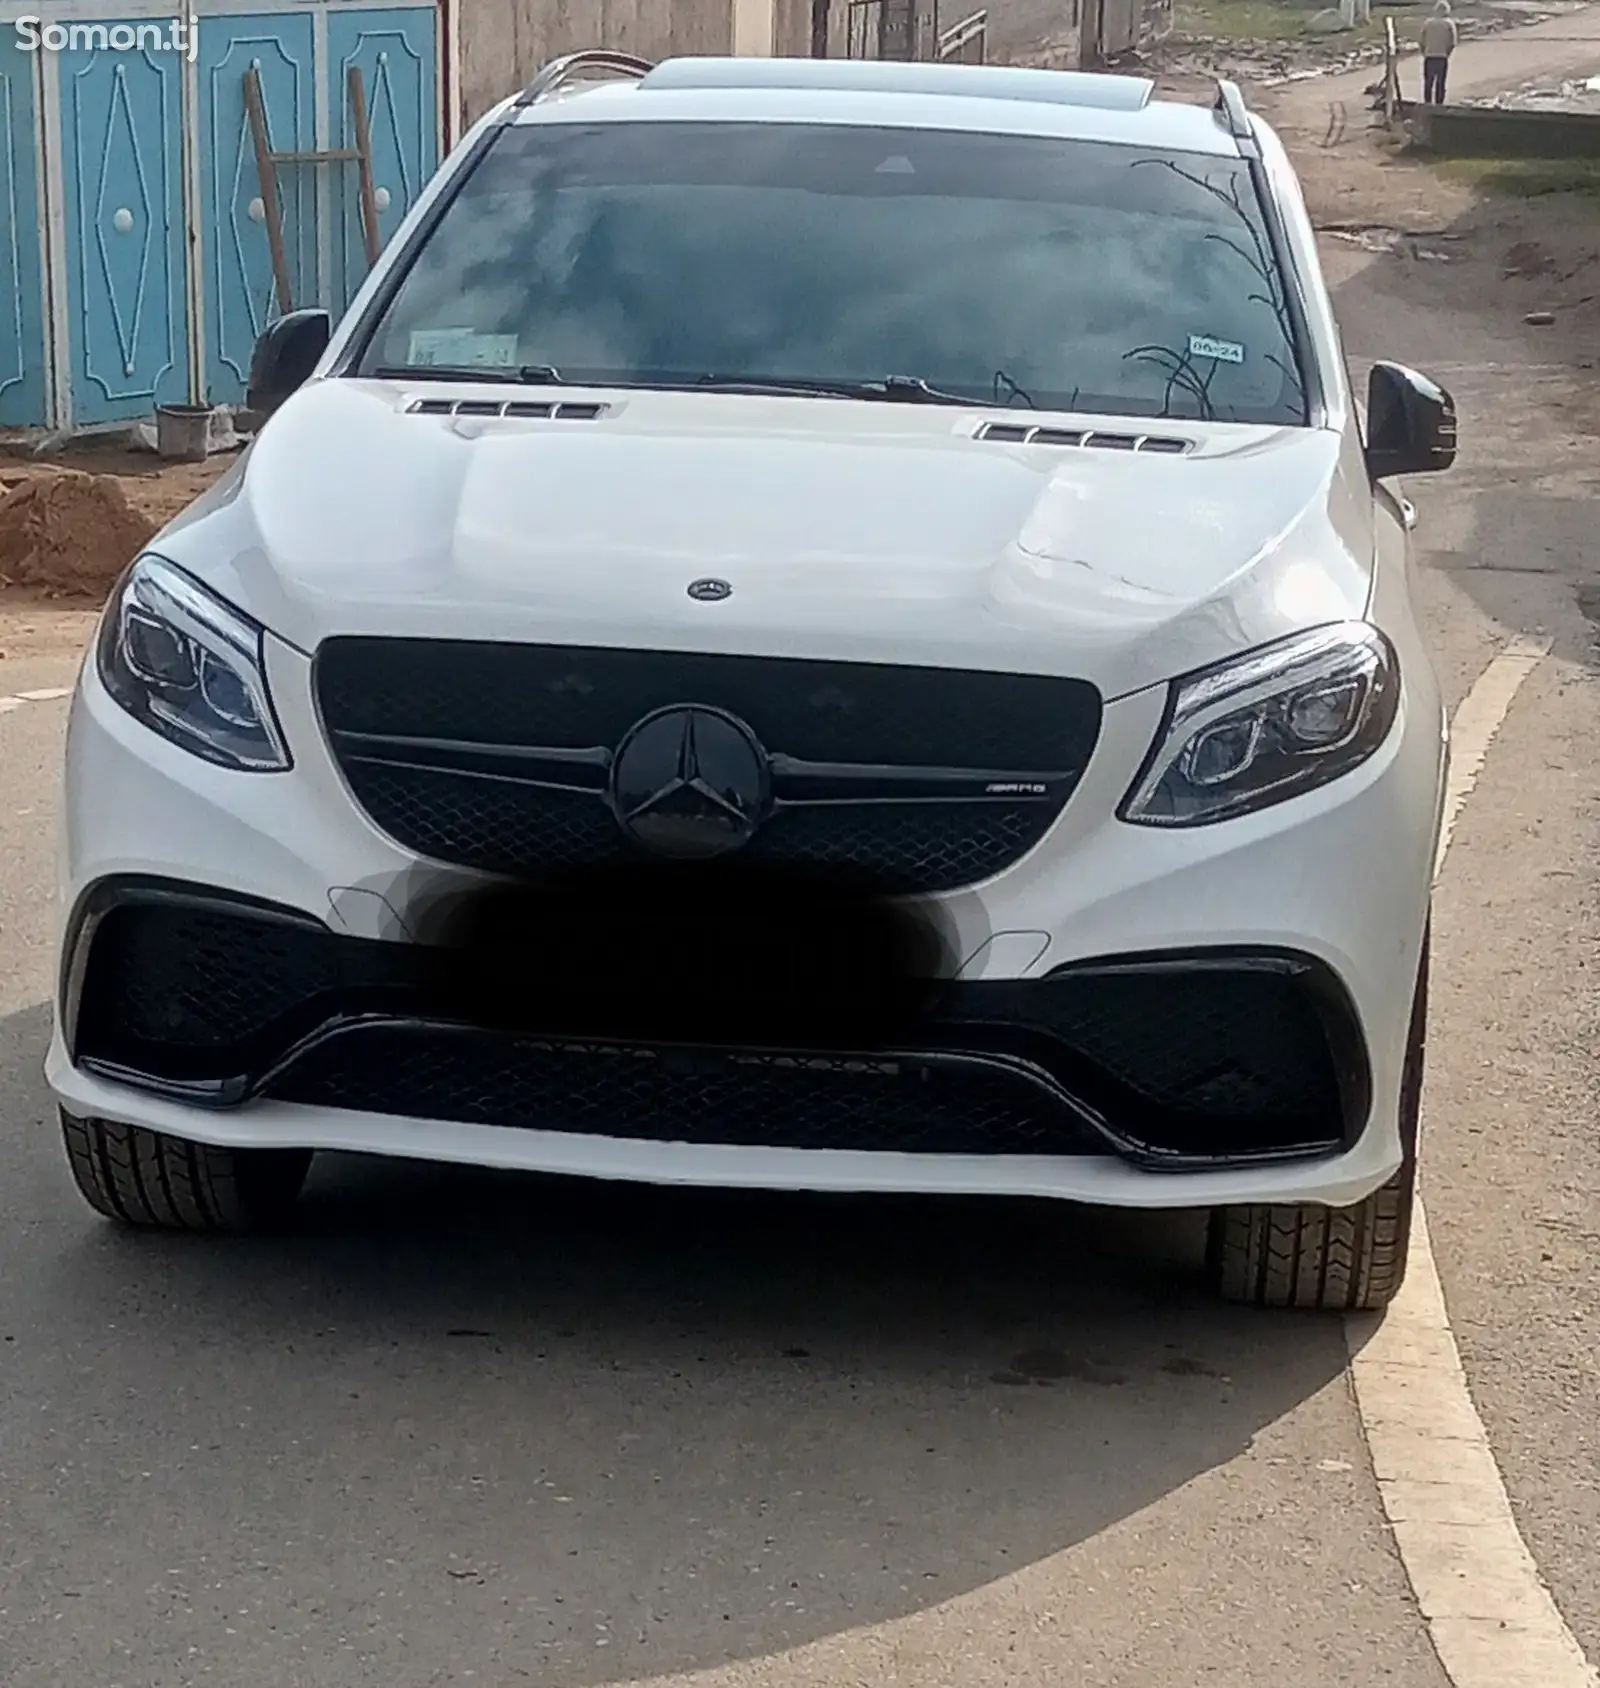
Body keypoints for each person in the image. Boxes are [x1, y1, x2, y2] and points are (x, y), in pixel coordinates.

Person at [1419, 0, 1459, 105]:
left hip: (1429, 56)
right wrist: (1447, 53)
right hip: (1442, 57)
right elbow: (1453, 42)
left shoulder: (1427, 23)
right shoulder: (1449, 24)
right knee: (1440, 83)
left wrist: (1424, 53)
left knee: (1428, 82)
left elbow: (1421, 41)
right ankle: (1439, 104)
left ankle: (1427, 103)